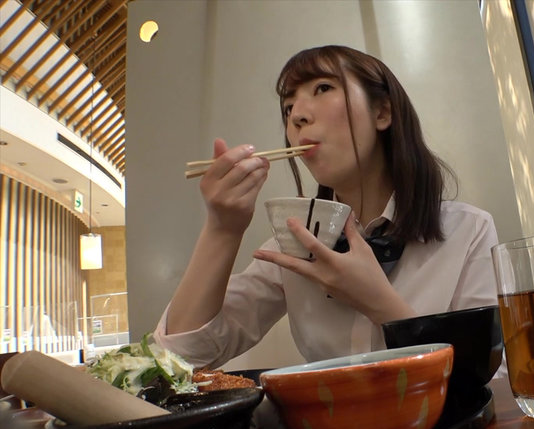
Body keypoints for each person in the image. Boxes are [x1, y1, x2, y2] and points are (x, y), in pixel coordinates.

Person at [154, 45, 500, 369]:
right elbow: (180, 359)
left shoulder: (468, 231)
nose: (297, 116)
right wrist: (222, 228)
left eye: (322, 88)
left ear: (382, 112)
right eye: (288, 107)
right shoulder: (294, 246)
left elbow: (491, 380)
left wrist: (380, 303)